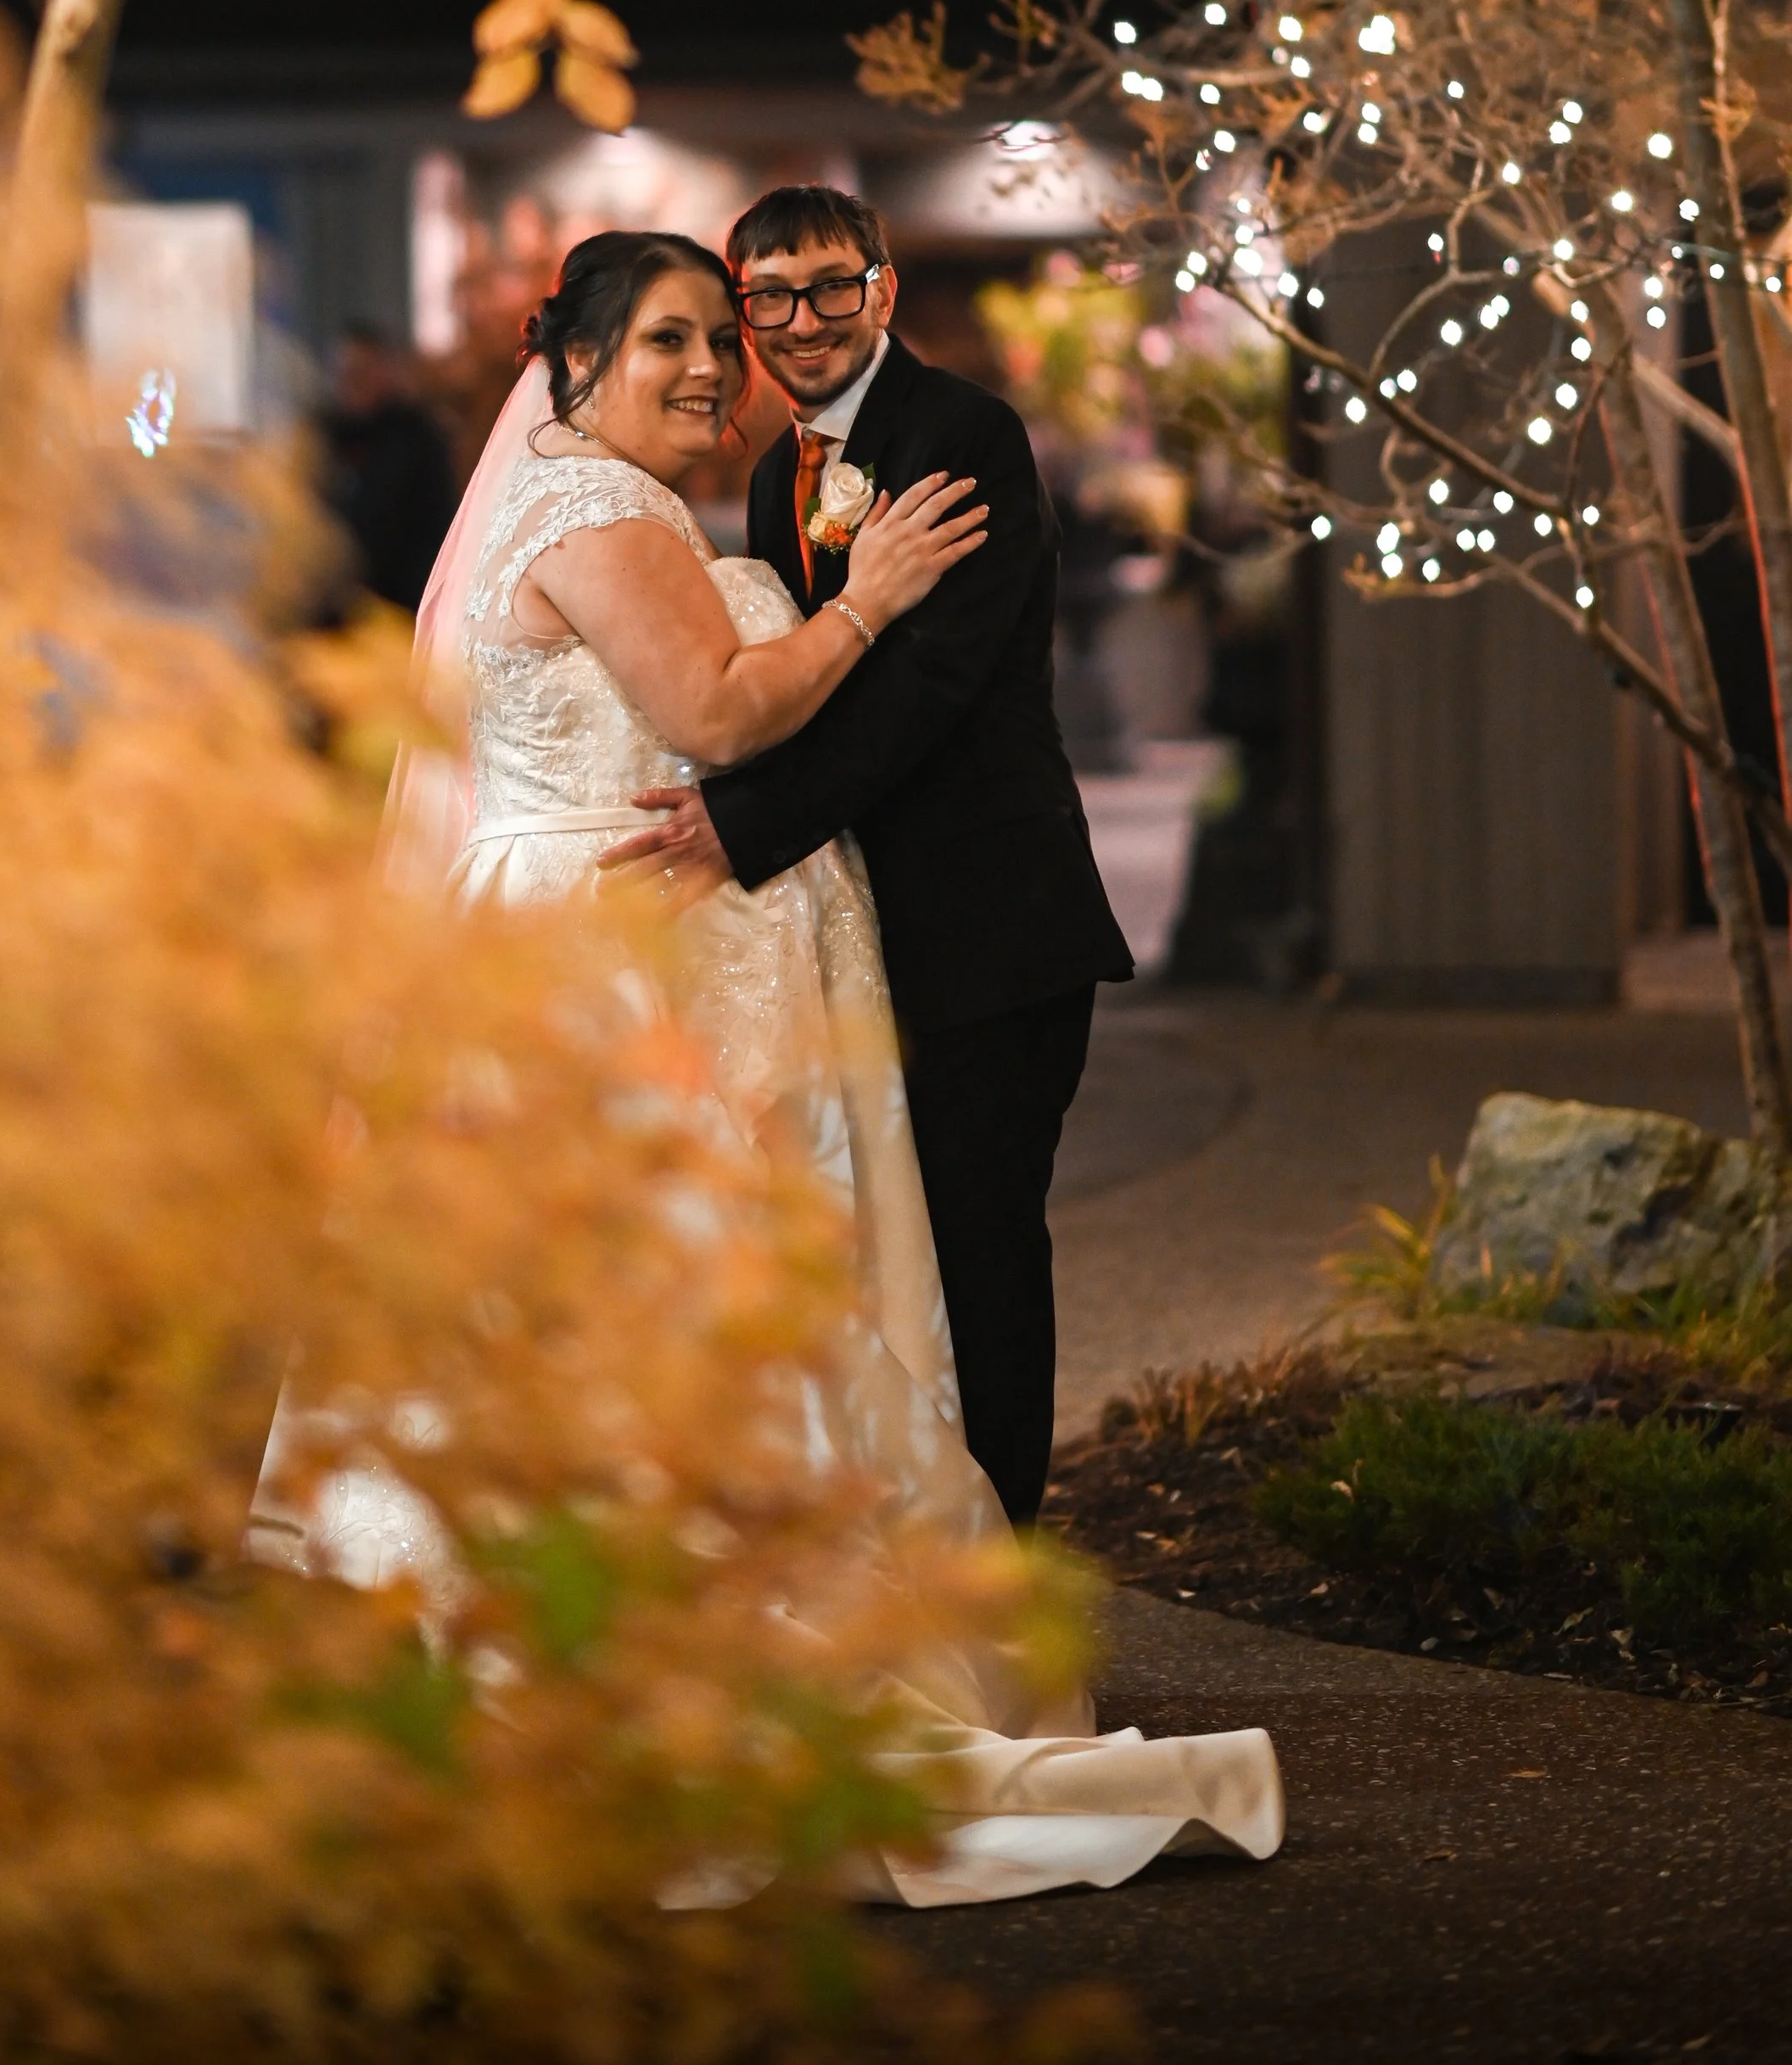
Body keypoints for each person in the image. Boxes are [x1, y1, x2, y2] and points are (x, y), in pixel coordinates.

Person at [258, 230, 1280, 1907]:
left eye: (713, 343)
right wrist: (868, 596)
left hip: (664, 963)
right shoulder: (594, 512)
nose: (706, 368)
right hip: (615, 971)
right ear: (570, 362)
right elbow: (724, 713)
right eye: (664, 339)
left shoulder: (665, 497)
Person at [602, 189, 1133, 1531]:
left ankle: (1004, 1562)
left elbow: (928, 690)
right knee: (908, 1259)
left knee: (983, 1253)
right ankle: (927, 1551)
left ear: (882, 292)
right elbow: (797, 681)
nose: (798, 323)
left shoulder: (961, 437)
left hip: (990, 924)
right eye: (767, 296)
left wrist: (746, 826)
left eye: (830, 287)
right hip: (881, 928)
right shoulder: (785, 470)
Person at [318, 322, 458, 615]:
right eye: (344, 373)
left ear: (385, 372)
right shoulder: (322, 437)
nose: (352, 383)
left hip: (398, 604)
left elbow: (434, 525)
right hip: (332, 605)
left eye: (361, 372)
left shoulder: (418, 438)